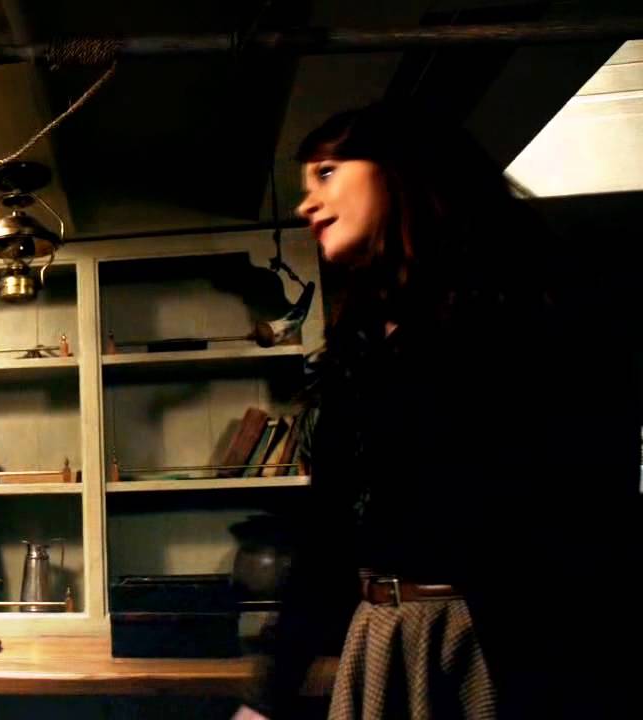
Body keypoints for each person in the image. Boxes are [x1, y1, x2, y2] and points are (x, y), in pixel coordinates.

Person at [237, 102, 641, 719]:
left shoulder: (533, 310)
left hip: (501, 646)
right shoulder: (362, 343)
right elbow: (327, 534)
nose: (305, 204)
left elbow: (587, 516)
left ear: (400, 169)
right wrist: (268, 696)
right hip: (383, 635)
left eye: (327, 172)